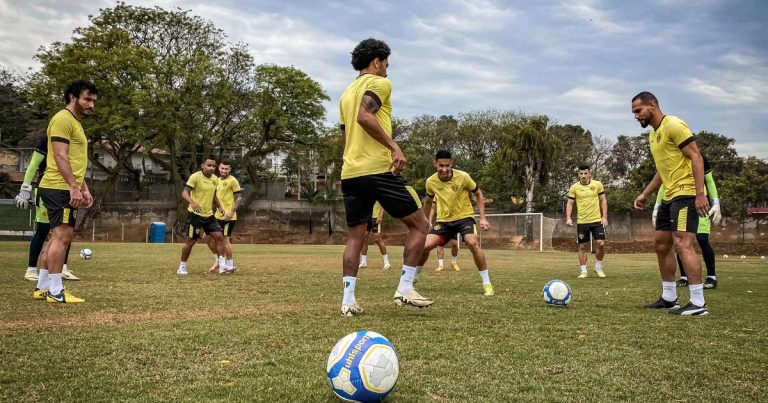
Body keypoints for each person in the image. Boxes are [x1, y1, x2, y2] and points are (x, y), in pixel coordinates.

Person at [338, 38, 432, 316]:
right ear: (376, 62)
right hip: (378, 169)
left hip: (351, 172)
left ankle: (348, 301)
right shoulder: (380, 83)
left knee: (355, 237)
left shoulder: (345, 94)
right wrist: (394, 146)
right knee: (421, 225)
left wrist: (351, 161)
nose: (388, 70)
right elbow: (365, 117)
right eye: (386, 64)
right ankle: (404, 287)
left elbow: (345, 135)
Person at [632, 91, 712, 316]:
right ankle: (669, 298)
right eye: (634, 113)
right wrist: (645, 193)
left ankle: (698, 303)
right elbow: (662, 168)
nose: (636, 116)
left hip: (686, 193)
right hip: (669, 195)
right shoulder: (653, 135)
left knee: (683, 244)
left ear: (653, 105)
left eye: (638, 111)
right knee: (661, 244)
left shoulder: (674, 125)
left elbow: (696, 157)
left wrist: (699, 194)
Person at [33, 80, 98, 303]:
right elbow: (60, 156)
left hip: (62, 186)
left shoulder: (75, 123)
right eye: (87, 99)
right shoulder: (62, 119)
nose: (91, 105)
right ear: (72, 97)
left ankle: (42, 287)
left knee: (56, 237)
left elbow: (75, 161)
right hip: (58, 187)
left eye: (94, 101)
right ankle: (56, 290)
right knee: (63, 236)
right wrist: (72, 186)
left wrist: (84, 188)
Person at [417, 150, 494, 296]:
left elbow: (478, 193)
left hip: (464, 217)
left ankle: (487, 283)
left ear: (451, 164)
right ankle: (413, 278)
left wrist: (483, 217)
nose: (444, 169)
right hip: (444, 221)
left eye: (447, 165)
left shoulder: (463, 177)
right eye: (441, 165)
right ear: (435, 164)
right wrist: (425, 220)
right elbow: (428, 201)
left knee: (472, 243)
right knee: (424, 246)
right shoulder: (430, 181)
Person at [16, 135, 78, 282]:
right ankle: (31, 270)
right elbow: (33, 164)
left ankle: (62, 268)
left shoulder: (71, 142)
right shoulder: (47, 140)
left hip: (65, 190)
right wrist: (25, 188)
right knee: (43, 230)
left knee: (66, 229)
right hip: (46, 190)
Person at [653, 158, 722, 289]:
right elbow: (663, 184)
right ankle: (684, 277)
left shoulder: (699, 158)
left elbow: (709, 181)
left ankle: (711, 277)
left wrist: (716, 202)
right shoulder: (671, 158)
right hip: (677, 203)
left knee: (702, 239)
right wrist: (657, 205)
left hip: (700, 203)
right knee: (679, 240)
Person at [177, 157, 233, 275]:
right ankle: (182, 267)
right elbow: (184, 192)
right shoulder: (195, 177)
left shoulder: (214, 179)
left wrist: (219, 206)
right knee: (191, 241)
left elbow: (213, 195)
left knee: (219, 237)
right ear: (203, 165)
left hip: (209, 215)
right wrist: (192, 203)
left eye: (213, 166)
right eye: (209, 165)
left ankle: (222, 266)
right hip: (195, 215)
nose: (211, 168)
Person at [565, 165, 608, 278]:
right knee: (582, 246)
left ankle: (598, 267)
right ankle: (583, 271)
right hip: (582, 222)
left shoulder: (597, 185)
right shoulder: (574, 187)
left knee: (601, 243)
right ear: (578, 175)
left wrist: (604, 217)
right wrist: (568, 217)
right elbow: (570, 203)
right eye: (581, 174)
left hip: (596, 220)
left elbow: (603, 200)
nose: (583, 176)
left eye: (585, 173)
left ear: (589, 174)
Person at [206, 161, 242, 273]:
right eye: (222, 168)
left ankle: (230, 265)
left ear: (229, 170)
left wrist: (231, 212)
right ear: (219, 168)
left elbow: (238, 198)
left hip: (228, 217)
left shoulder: (233, 181)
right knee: (207, 238)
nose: (224, 171)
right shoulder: (216, 180)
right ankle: (219, 261)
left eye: (226, 169)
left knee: (225, 240)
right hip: (216, 216)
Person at [359, 201, 392, 270]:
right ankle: (363, 262)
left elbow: (383, 204)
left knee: (377, 238)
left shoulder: (377, 191)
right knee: (364, 238)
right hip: (366, 218)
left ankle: (386, 263)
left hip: (375, 218)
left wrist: (380, 216)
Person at [430, 206, 459, 271]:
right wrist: (430, 221)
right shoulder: (436, 197)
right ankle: (441, 265)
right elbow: (432, 207)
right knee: (439, 244)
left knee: (454, 243)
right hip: (441, 222)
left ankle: (453, 262)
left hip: (453, 222)